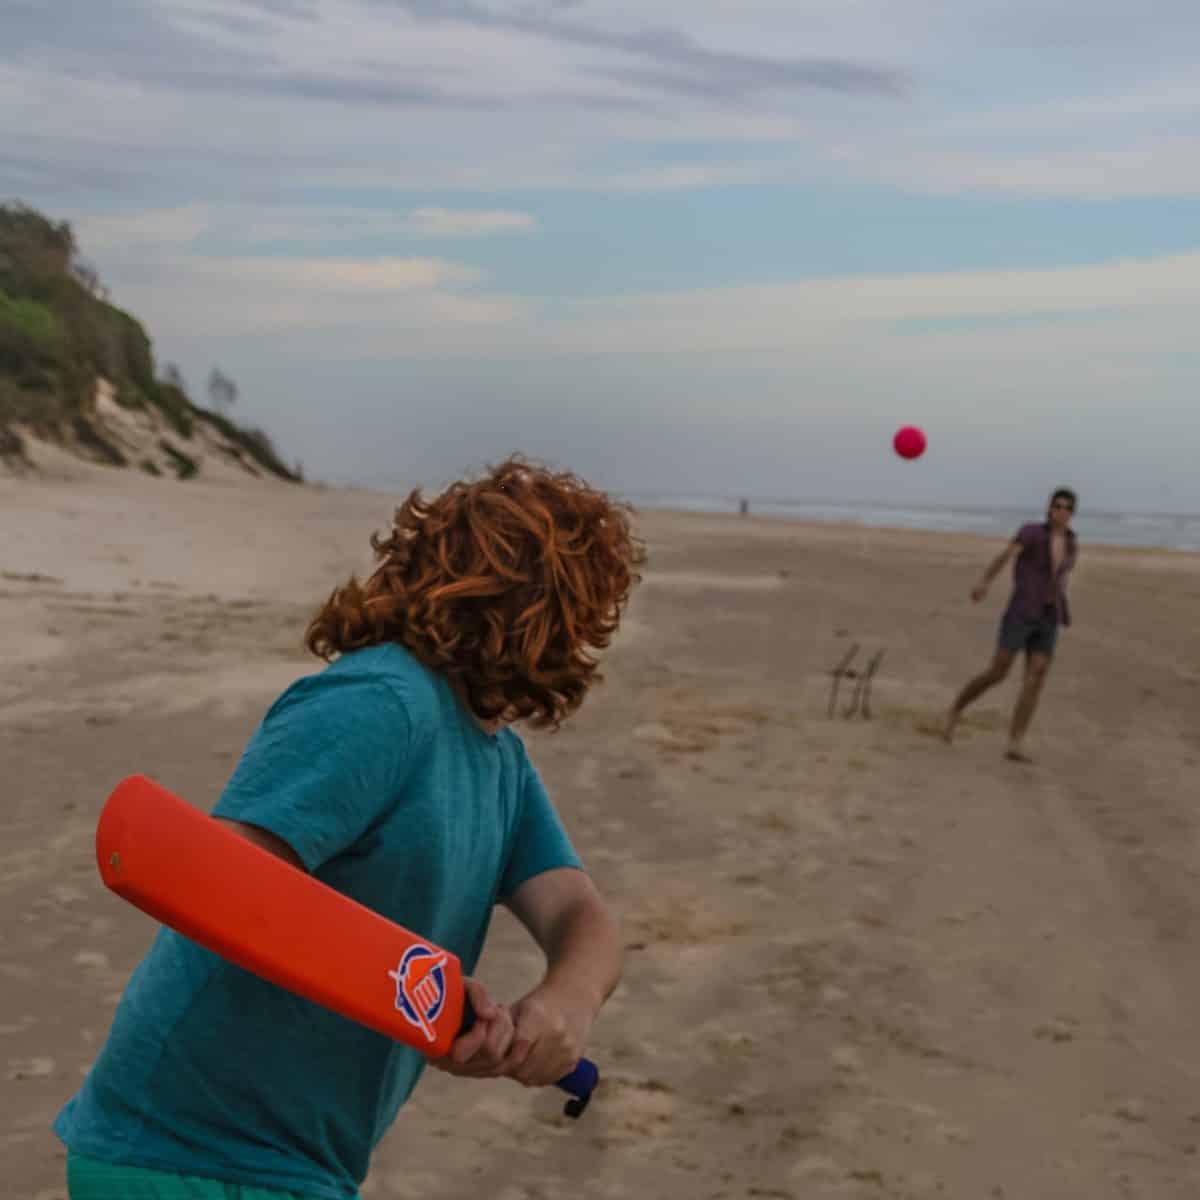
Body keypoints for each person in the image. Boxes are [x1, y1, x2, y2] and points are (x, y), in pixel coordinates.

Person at [54, 457, 642, 1200]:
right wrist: (406, 985)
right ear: (555, 615)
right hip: (185, 1150)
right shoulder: (381, 701)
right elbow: (219, 880)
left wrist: (566, 1003)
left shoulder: (499, 763)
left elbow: (581, 914)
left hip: (300, 1164)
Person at [943, 487, 1078, 763]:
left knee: (1036, 677)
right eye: (1057, 506)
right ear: (1049, 508)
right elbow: (1006, 556)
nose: (1061, 511)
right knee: (998, 671)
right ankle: (955, 709)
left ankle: (1015, 743)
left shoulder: (1072, 542)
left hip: (1049, 616)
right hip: (1021, 612)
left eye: (1066, 507)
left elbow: (1061, 576)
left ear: (1072, 513)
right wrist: (985, 582)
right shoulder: (1031, 532)